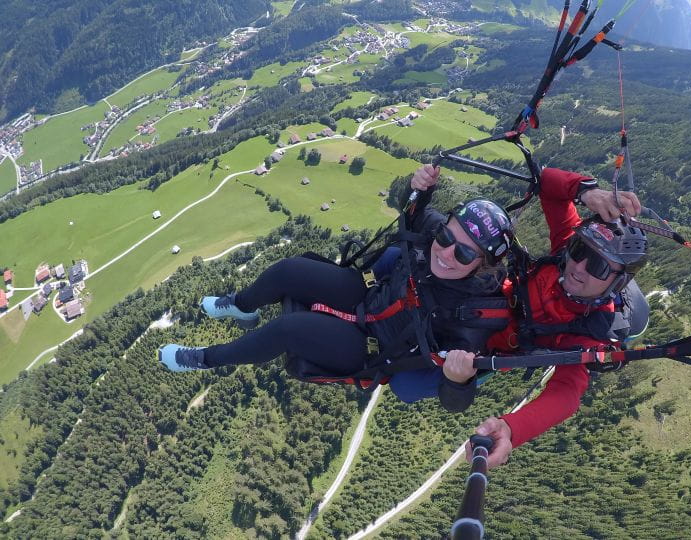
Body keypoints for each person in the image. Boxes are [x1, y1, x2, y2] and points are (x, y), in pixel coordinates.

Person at [158, 165, 514, 400]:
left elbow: (453, 399)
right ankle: (242, 306)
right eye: (446, 237)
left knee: (288, 330)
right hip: (369, 296)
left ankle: (204, 358)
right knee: (289, 270)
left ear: (482, 265)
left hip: (374, 346)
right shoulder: (438, 234)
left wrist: (458, 379)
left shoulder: (473, 317)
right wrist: (418, 188)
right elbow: (412, 211)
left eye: (463, 254)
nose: (446, 252)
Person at [451, 167, 649, 467]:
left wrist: (512, 428)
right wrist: (587, 191)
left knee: (414, 385)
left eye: (598, 267)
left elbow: (567, 393)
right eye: (580, 250)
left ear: (618, 283)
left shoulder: (590, 331)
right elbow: (547, 184)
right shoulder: (563, 253)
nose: (578, 267)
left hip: (484, 345)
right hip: (485, 297)